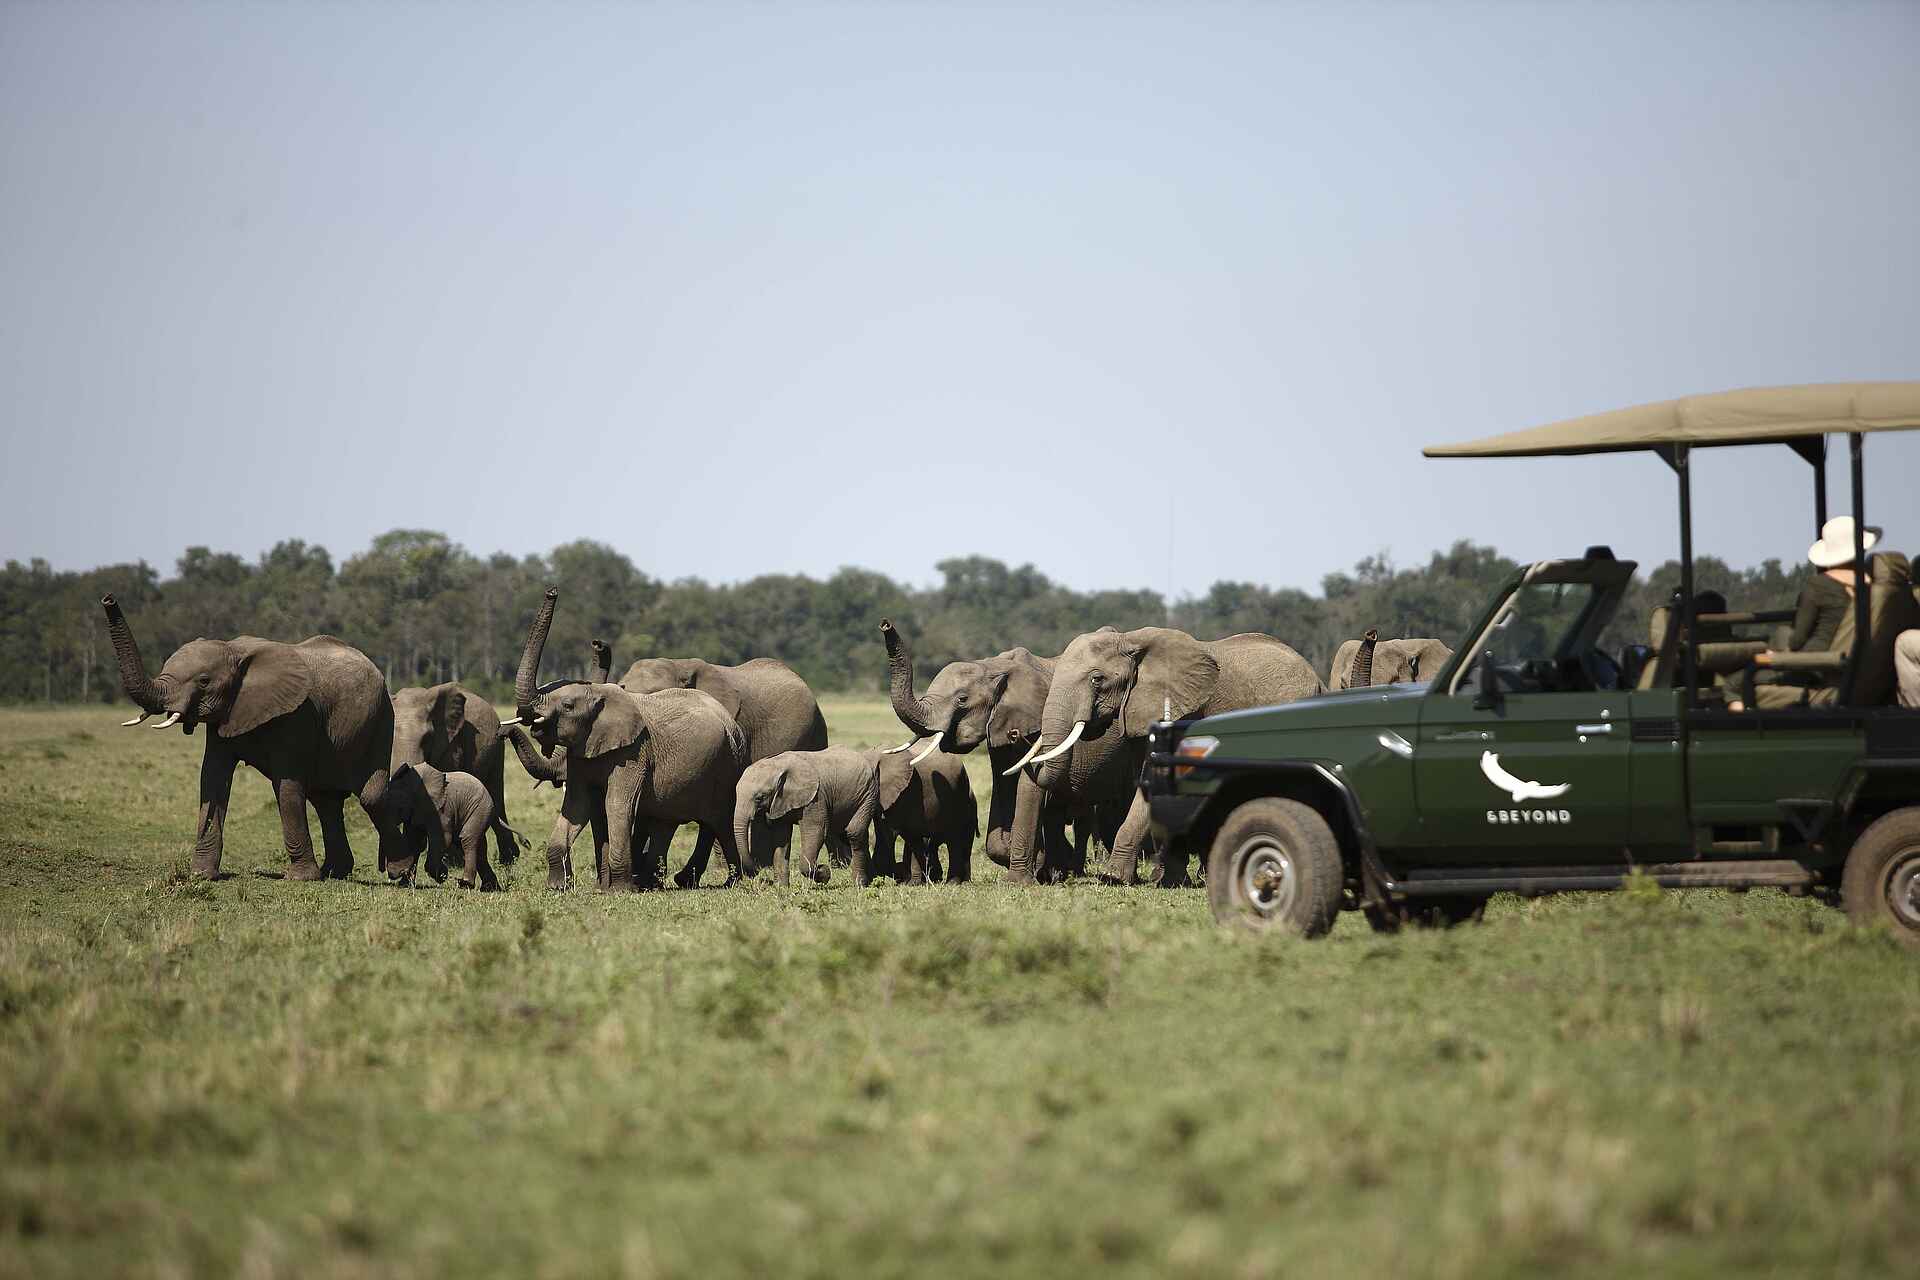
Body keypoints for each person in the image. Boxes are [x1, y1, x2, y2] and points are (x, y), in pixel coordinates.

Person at [1728, 517, 1879, 712]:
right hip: (1847, 666)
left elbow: (1798, 640)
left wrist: (1778, 656)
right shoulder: (1873, 585)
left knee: (1734, 684)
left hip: (1816, 665)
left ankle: (1744, 733)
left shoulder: (1818, 586)